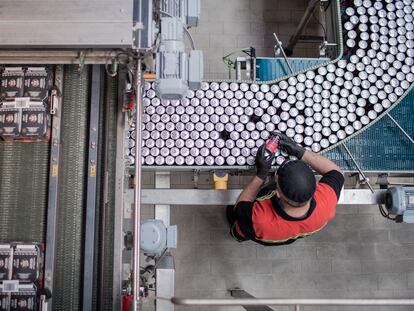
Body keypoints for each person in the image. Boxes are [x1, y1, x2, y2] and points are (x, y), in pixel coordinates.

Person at [227, 133, 345, 246]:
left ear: (277, 193)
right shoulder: (326, 202)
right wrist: (300, 151)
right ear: (315, 185)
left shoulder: (258, 220)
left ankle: (237, 236)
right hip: (290, 235)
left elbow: (241, 204)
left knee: (239, 227)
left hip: (259, 231)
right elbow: (336, 172)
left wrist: (261, 175)